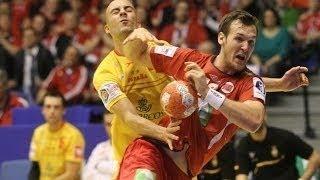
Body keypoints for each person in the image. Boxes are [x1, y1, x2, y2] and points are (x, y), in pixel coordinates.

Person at [94, 0, 309, 178]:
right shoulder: (190, 60)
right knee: (143, 174)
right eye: (239, 39)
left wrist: (208, 93)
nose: (246, 47)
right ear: (221, 38)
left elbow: (253, 120)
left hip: (184, 164)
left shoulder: (251, 84)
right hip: (147, 144)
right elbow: (135, 54)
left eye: (251, 42)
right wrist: (138, 36)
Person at [28, 90, 85, 180]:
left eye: (56, 107)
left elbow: (71, 174)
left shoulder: (74, 135)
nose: (52, 111)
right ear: (43, 110)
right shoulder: (38, 133)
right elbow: (35, 168)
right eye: (48, 107)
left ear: (63, 110)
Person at [235, 122, 320, 180]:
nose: (253, 121)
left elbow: (315, 156)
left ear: (264, 115)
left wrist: (303, 178)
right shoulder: (244, 145)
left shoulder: (284, 137)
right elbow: (242, 174)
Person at [82, 112, 116, 180]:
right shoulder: (100, 147)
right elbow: (86, 176)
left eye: (115, 124)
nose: (112, 128)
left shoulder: (132, 148)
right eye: (108, 124)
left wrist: (99, 166)